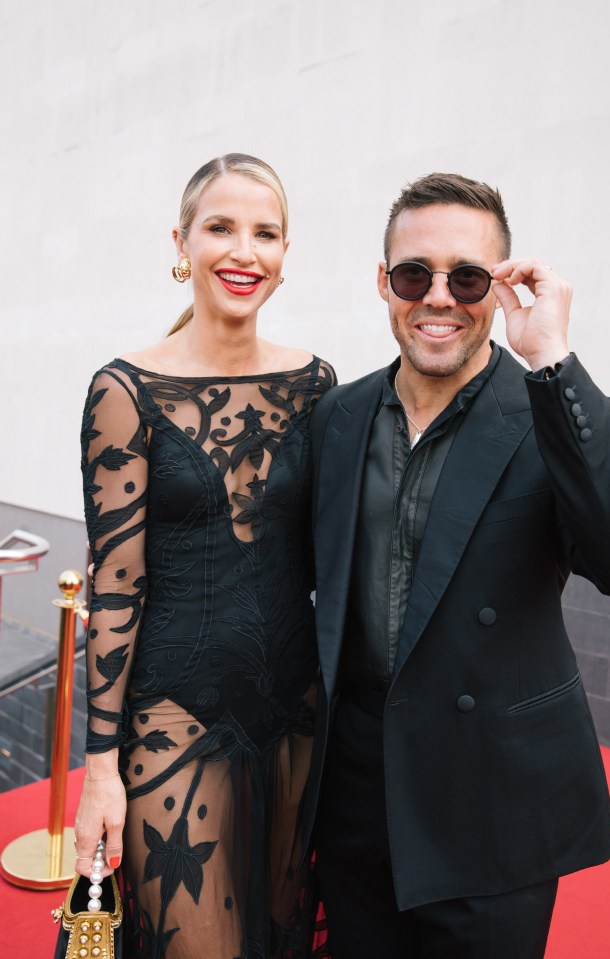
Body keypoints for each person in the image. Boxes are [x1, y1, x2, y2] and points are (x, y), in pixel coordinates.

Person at [307, 172, 610, 958]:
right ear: (384, 283)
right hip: (357, 799)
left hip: (493, 802)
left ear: (501, 284)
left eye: (467, 277)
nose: (439, 298)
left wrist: (552, 355)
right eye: (414, 274)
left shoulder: (551, 408)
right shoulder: (338, 415)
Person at [73, 153, 335, 959]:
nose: (244, 251)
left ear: (286, 256)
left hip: (296, 716)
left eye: (267, 232)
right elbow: (115, 589)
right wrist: (101, 769)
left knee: (287, 940)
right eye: (222, 226)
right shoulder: (124, 391)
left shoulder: (317, 384)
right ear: (182, 241)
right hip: (172, 721)